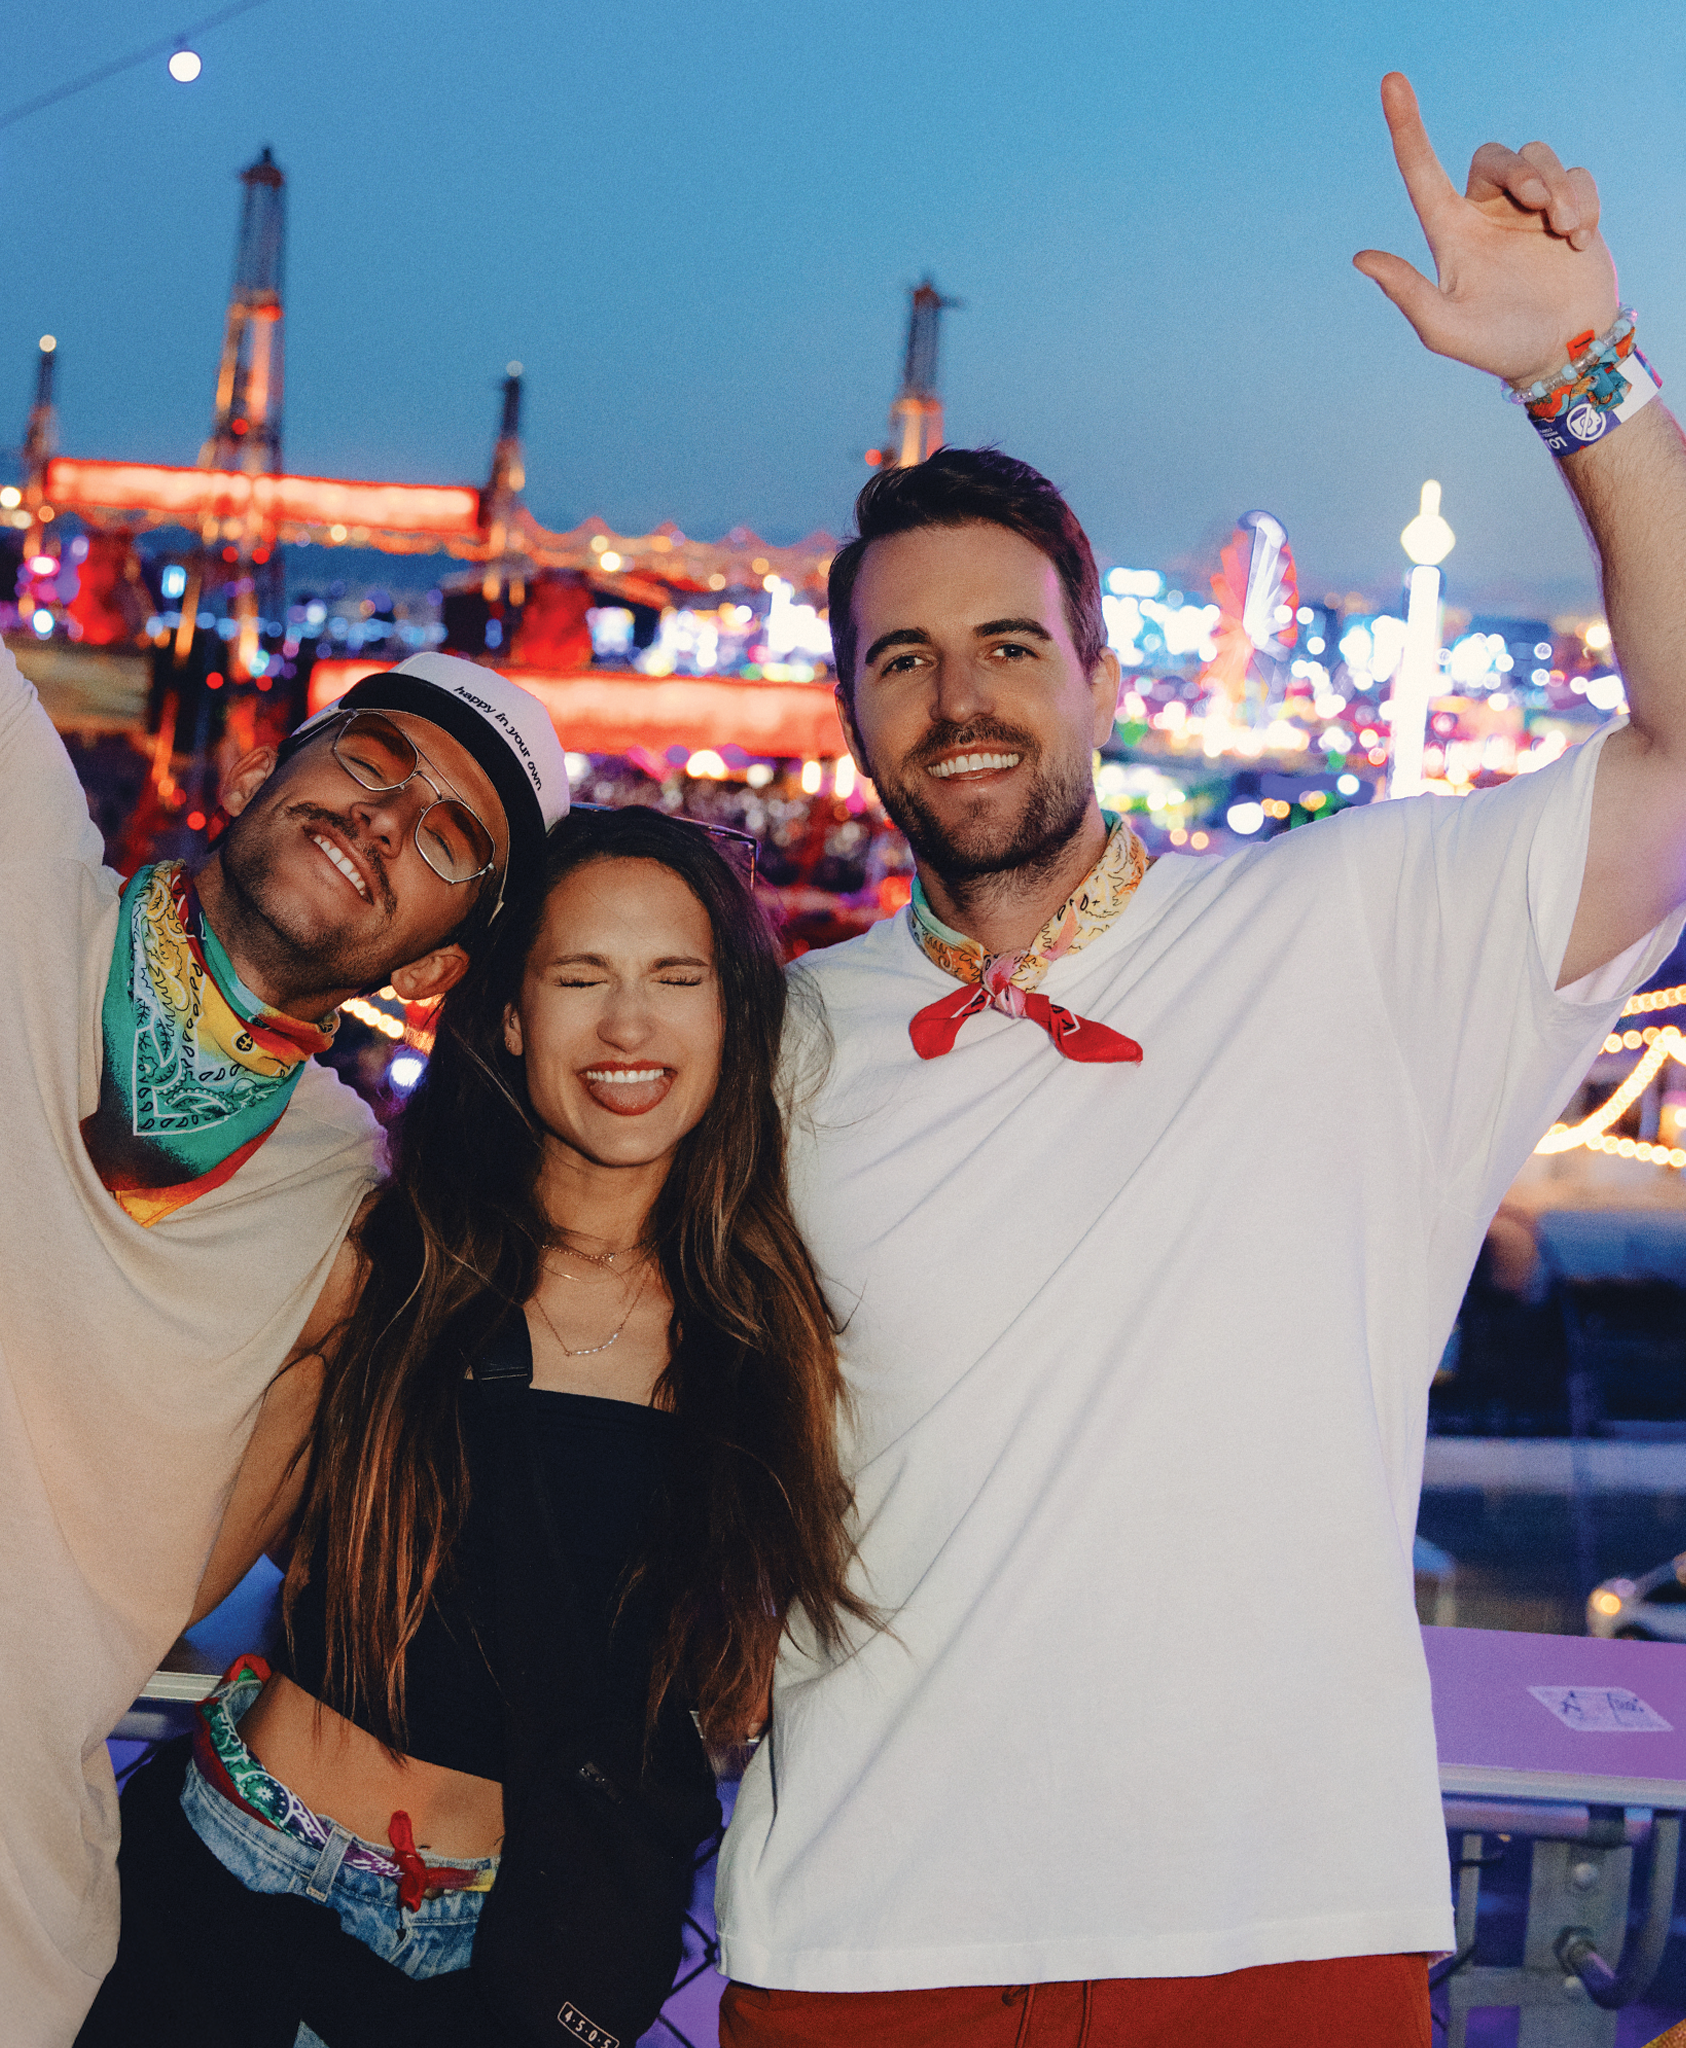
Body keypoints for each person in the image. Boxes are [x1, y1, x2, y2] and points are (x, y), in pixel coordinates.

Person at [715, 75, 1686, 2048]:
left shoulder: (1355, 926)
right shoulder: (777, 1034)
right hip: (852, 1935)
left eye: (1008, 643)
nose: (959, 695)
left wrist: (1587, 378)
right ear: (849, 719)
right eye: (900, 660)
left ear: (1101, 676)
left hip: (1272, 1918)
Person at [0, 21, 566, 2048]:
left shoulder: (355, 1215)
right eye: (370, 752)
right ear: (266, 756)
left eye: (450, 843)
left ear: (433, 968)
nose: (386, 813)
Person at [78, 804, 863, 2048]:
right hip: (230, 1858)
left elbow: (730, 1684)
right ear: (510, 1012)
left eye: (674, 976)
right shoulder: (385, 1254)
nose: (625, 1023)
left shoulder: (760, 1345)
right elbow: (172, 1575)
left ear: (731, 1018)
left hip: (484, 1957)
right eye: (577, 975)